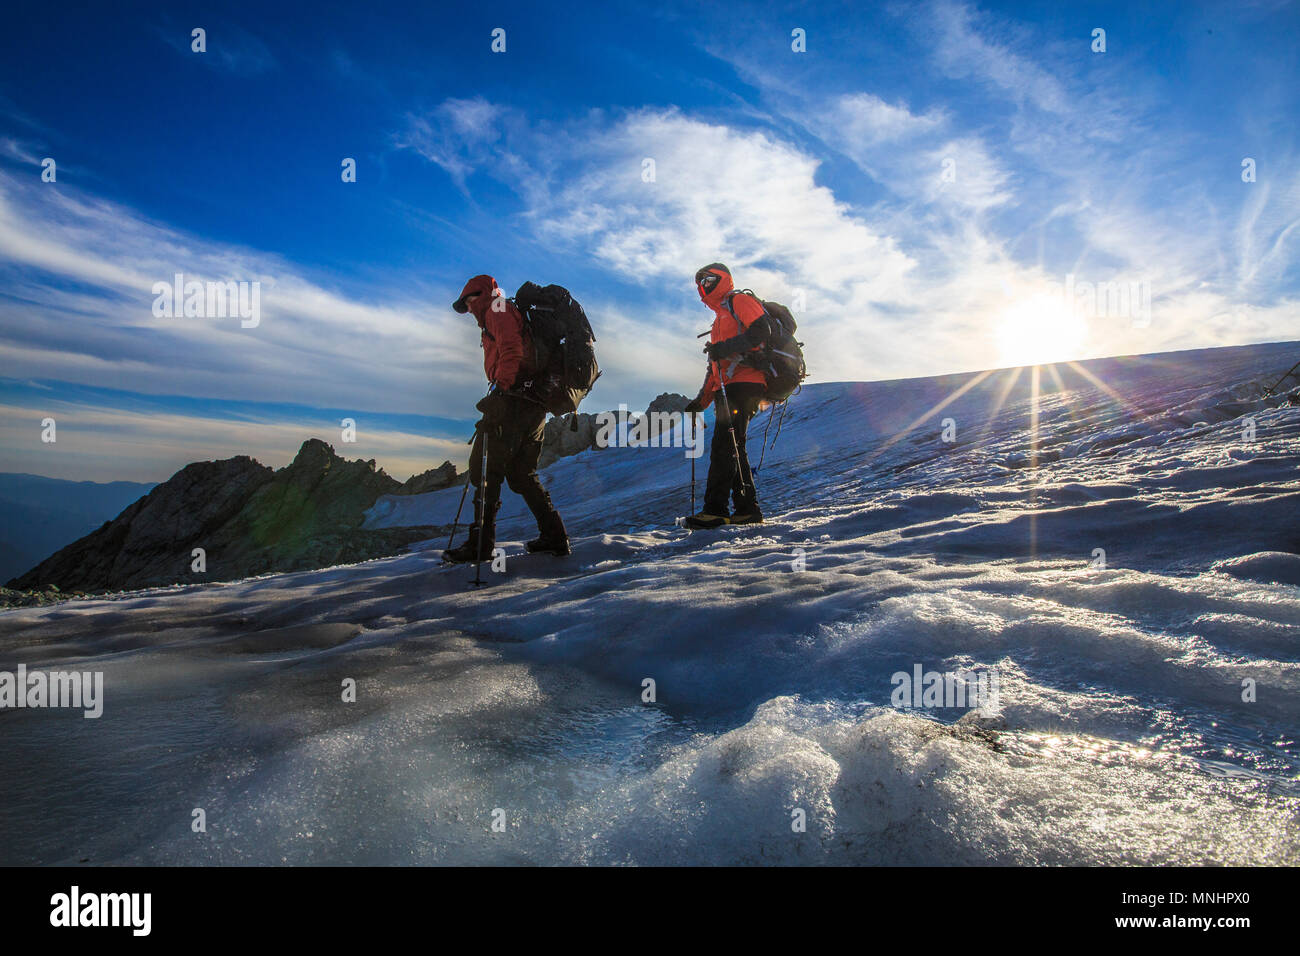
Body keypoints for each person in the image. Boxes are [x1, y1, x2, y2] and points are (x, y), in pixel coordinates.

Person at [444, 274, 570, 561]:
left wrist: (500, 390)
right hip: (534, 402)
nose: (469, 307)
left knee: (484, 468)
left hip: (512, 400)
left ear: (479, 294)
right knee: (521, 474)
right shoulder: (503, 310)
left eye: (470, 299)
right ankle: (554, 536)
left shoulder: (498, 309)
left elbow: (512, 349)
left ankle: (480, 545)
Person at [682, 263, 772, 529]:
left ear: (724, 279)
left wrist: (724, 347)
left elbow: (761, 332)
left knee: (725, 445)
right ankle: (746, 509)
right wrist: (700, 402)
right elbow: (716, 368)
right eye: (700, 281)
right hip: (728, 387)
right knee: (734, 446)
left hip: (746, 384)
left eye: (709, 279)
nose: (704, 285)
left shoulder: (740, 301)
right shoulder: (719, 320)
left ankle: (715, 510)